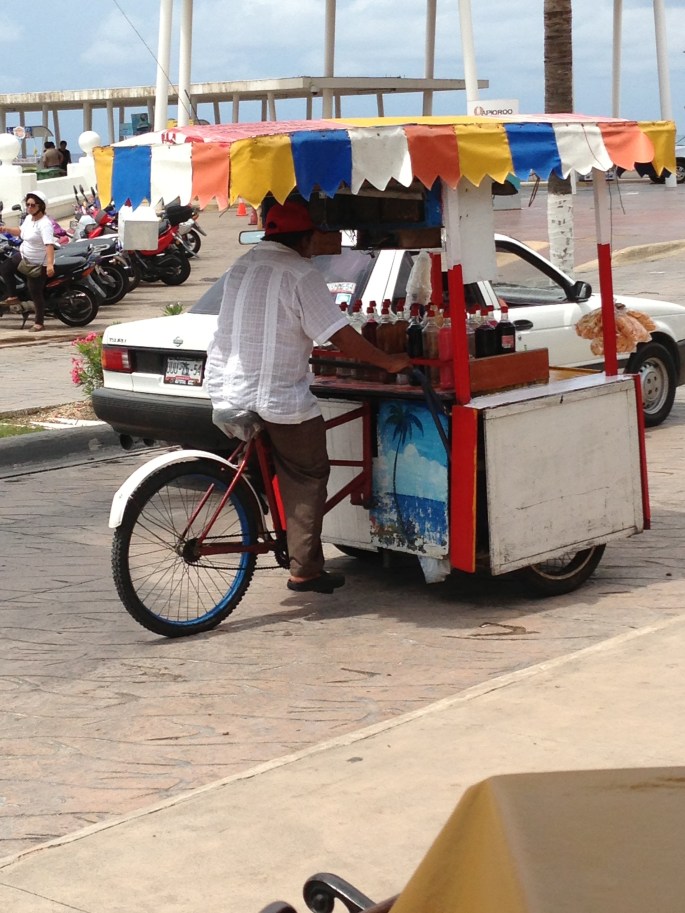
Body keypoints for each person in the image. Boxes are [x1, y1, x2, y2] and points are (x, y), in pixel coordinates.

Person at [205, 200, 412, 594]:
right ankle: (304, 568)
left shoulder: (242, 266)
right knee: (307, 473)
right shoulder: (301, 274)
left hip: (230, 391)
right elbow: (340, 335)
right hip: (278, 398)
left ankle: (277, 533)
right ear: (305, 238)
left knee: (272, 470)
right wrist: (387, 362)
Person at [0, 191, 56, 332]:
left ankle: (39, 323)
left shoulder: (45, 224)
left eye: (33, 205)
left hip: (36, 263)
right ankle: (13, 296)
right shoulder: (29, 219)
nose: (29, 207)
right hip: (23, 256)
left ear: (40, 206)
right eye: (28, 204)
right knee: (5, 268)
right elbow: (20, 231)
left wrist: (50, 265)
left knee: (35, 292)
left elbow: (49, 245)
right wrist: (6, 229)